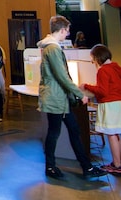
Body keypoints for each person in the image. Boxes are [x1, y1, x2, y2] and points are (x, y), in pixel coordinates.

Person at [38, 15, 106, 179]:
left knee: (71, 131)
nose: (67, 34)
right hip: (56, 98)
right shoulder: (53, 49)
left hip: (58, 98)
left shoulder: (50, 47)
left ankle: (85, 166)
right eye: (67, 31)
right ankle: (52, 166)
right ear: (61, 30)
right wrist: (78, 93)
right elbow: (61, 75)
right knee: (56, 133)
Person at [81, 44, 121, 174]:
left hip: (109, 105)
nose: (92, 62)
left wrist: (86, 86)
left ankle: (116, 164)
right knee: (116, 133)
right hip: (118, 104)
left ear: (98, 57)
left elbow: (102, 91)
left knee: (111, 134)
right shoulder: (117, 68)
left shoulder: (103, 70)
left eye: (93, 59)